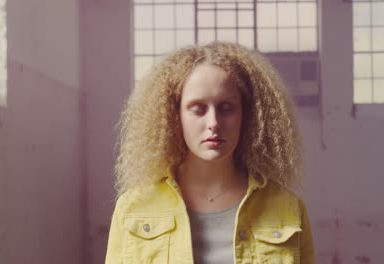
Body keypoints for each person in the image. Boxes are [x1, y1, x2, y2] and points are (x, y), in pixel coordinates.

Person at [105, 41, 315, 264]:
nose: (213, 122)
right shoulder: (134, 208)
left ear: (247, 115)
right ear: (175, 116)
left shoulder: (287, 208)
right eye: (198, 109)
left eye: (226, 108)